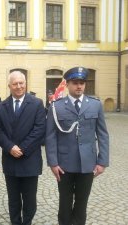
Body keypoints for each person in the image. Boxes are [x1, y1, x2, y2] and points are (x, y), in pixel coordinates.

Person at [45, 67, 109, 225]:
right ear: (67, 84)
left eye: (82, 83)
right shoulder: (56, 106)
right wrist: (53, 163)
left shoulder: (95, 105)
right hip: (64, 164)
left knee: (81, 204)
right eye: (75, 83)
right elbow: (50, 136)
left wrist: (102, 162)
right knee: (65, 204)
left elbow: (103, 134)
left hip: (88, 164)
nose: (79, 86)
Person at [0, 71, 46, 225]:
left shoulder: (37, 103)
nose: (19, 86)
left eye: (21, 83)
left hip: (30, 159)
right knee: (13, 199)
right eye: (15, 84)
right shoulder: (1, 106)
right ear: (9, 85)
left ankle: (27, 222)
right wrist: (10, 147)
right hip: (10, 159)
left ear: (25, 83)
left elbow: (39, 130)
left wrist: (22, 149)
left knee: (30, 199)